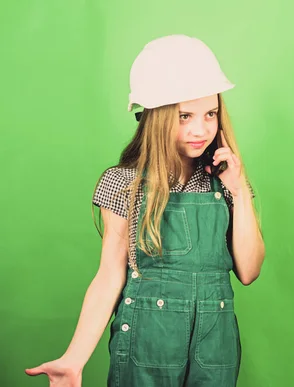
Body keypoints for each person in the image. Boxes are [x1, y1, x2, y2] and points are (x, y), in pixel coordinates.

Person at [25, 34, 265, 387]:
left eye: (210, 114)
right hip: (146, 347)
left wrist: (240, 192)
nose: (200, 129)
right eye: (184, 116)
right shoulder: (124, 184)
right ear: (155, 115)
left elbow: (249, 270)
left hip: (215, 349)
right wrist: (74, 358)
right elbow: (110, 275)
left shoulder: (227, 182)